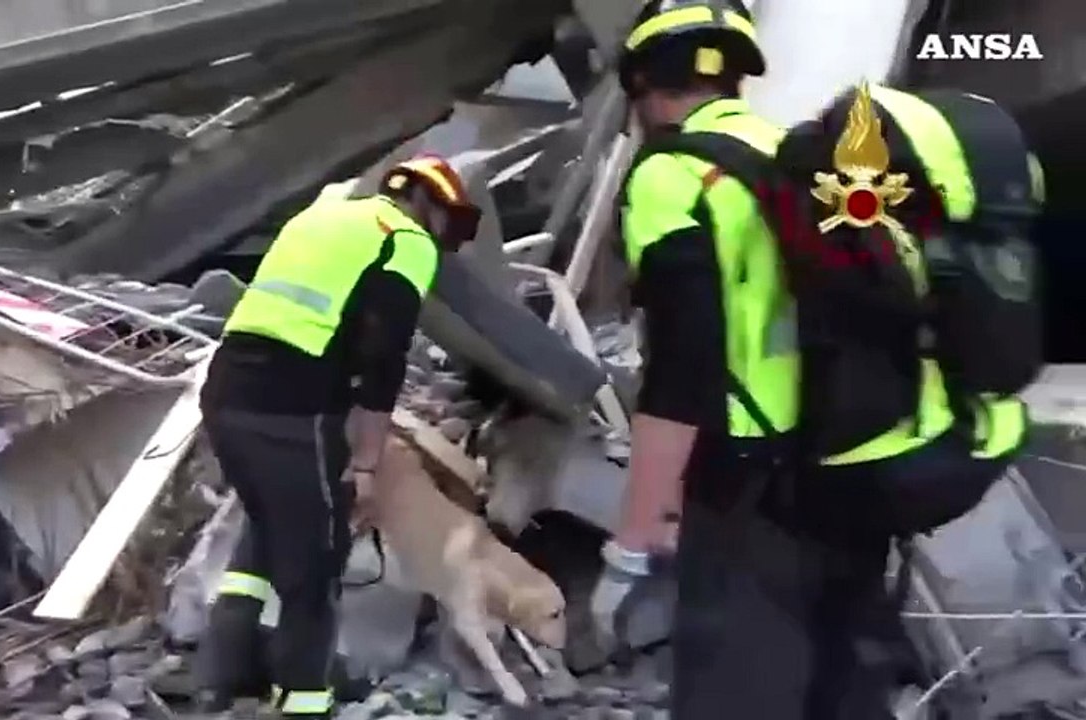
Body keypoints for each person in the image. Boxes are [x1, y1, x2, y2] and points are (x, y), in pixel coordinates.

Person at [591, 2, 1040, 717]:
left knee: (738, 692)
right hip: (852, 464)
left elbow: (684, 368)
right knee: (842, 682)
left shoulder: (672, 176)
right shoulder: (800, 155)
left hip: (749, 488)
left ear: (643, 81)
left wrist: (634, 542)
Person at [194, 155, 480, 718]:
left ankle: (221, 674)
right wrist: (367, 465)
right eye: (451, 222)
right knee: (317, 563)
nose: (447, 239)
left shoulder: (319, 219)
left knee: (266, 524)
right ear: (426, 203)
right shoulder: (405, 239)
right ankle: (304, 699)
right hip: (290, 413)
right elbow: (383, 360)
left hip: (226, 397)